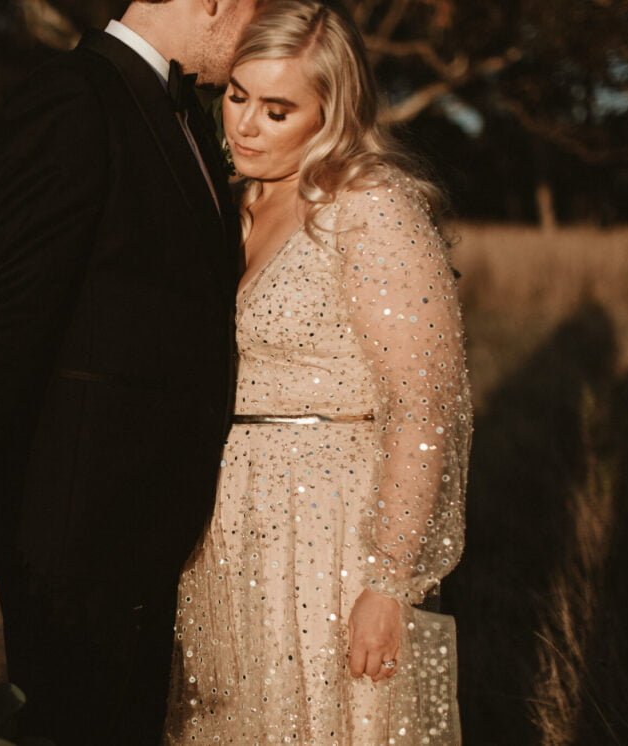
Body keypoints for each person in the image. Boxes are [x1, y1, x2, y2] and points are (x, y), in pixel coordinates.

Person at [0, 1, 257, 743]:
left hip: (161, 531)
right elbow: (3, 326)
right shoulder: (73, 100)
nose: (265, 20)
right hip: (79, 535)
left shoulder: (185, 113)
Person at [162, 2, 472, 743]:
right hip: (225, 523)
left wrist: (389, 581)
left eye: (277, 111)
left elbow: (423, 405)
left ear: (331, 114)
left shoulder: (370, 208)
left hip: (331, 526)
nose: (245, 126)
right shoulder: (231, 203)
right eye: (237, 97)